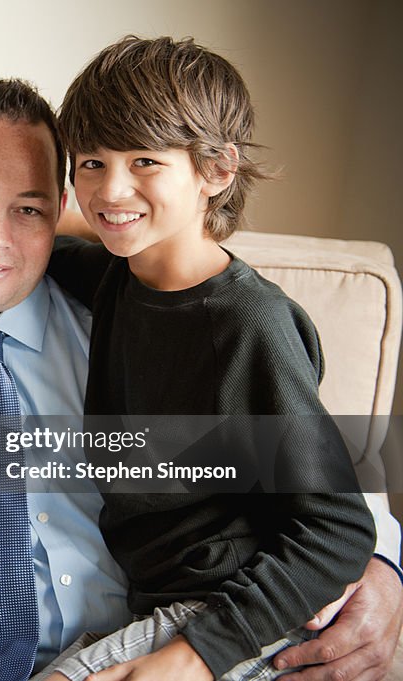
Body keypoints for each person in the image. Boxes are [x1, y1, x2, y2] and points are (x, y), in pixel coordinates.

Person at [0, 79, 403, 681]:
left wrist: (385, 561)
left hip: (143, 645)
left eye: (27, 210)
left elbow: (296, 453)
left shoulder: (121, 313)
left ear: (60, 208)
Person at [37, 35, 376, 681]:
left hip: (232, 609)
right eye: (89, 162)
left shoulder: (248, 324)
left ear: (216, 171)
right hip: (158, 605)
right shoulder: (117, 274)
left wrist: (192, 657)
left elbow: (337, 529)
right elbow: (18, 241)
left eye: (144, 161)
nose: (110, 189)